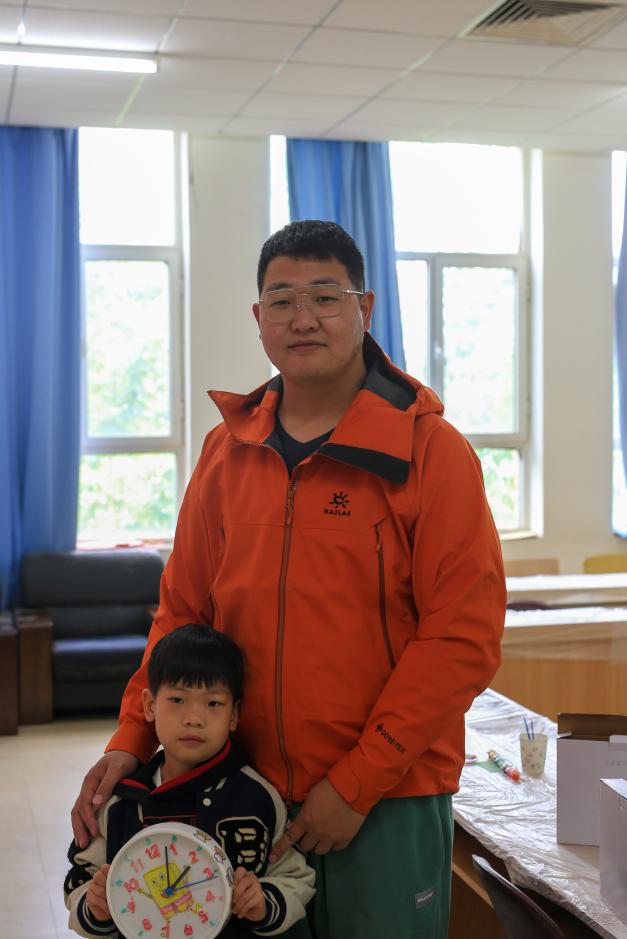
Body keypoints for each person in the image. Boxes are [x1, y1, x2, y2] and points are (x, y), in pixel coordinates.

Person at [72, 219, 506, 939]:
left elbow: (460, 639)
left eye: (325, 297)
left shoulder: (431, 453)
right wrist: (132, 736)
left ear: (364, 308)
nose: (303, 318)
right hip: (239, 789)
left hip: (387, 796)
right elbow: (182, 614)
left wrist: (355, 784)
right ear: (259, 318)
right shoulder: (226, 452)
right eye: (281, 300)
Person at [65, 625, 315, 938]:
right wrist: (96, 906)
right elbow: (81, 879)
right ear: (149, 706)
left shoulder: (257, 798)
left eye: (213, 704)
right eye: (177, 699)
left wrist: (262, 902)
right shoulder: (121, 803)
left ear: (234, 715)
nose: (194, 718)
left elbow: (295, 877)